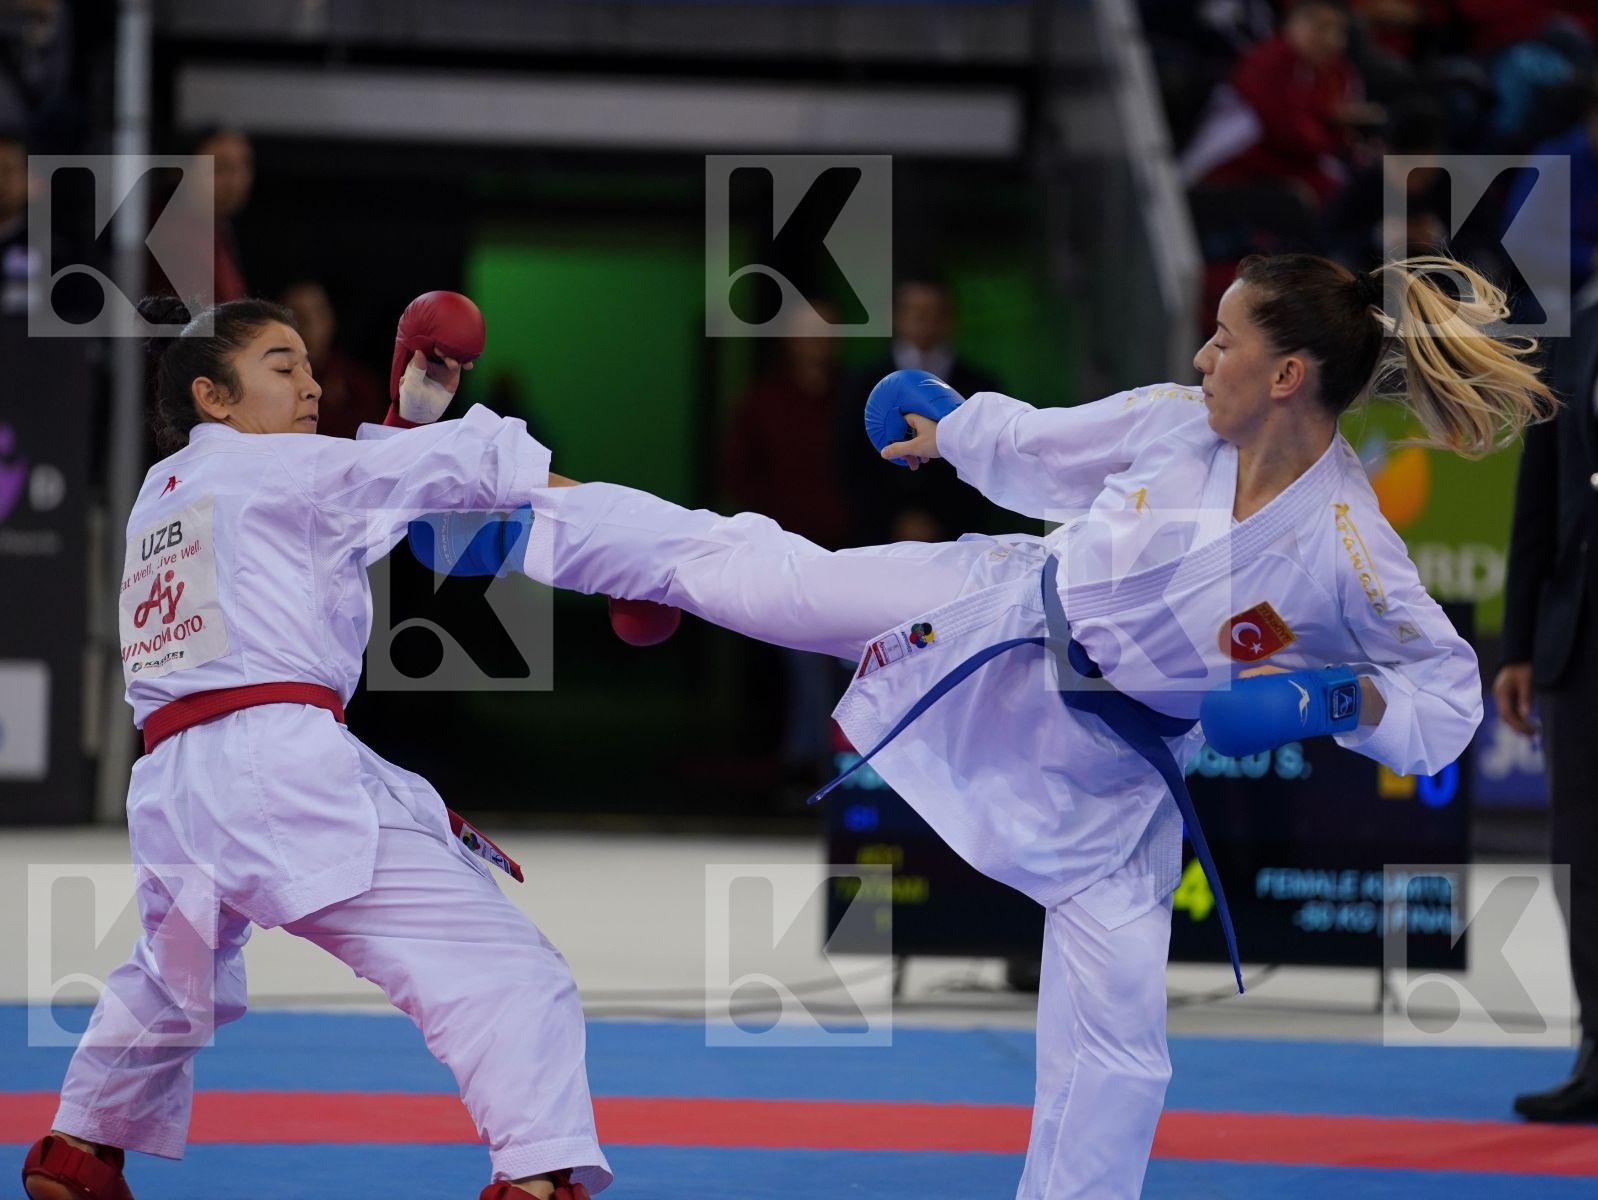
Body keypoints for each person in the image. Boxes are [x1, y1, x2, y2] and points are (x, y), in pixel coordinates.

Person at [429, 252, 1547, 1198]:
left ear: (1287, 375)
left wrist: (1337, 699)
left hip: (1116, 776)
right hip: (994, 616)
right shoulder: (1170, 427)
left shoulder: (1348, 548)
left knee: (1115, 1043)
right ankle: (506, 504)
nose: (1202, 358)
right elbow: (1037, 450)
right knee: (762, 575)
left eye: (1223, 342)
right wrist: (950, 424)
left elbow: (1444, 699)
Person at [20, 295, 605, 1200]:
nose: (311, 385)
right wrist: (633, 533)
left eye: (309, 365)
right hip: (275, 771)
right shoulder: (272, 474)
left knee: (174, 984)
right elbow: (453, 469)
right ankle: (538, 1178)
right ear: (214, 396)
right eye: (282, 367)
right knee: (504, 968)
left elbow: (346, 509)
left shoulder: (166, 492)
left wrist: (403, 417)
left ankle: (80, 1150)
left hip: (178, 790)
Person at [1496, 300, 1598, 1122]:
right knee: (1586, 856)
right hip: (1583, 638)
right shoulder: (1583, 332)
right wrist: (1520, 641)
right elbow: (1541, 487)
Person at [836, 274, 1008, 545]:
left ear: (950, 319)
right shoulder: (862, 382)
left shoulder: (980, 386)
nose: (926, 324)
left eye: (935, 314)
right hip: (878, 535)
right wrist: (893, 520)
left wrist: (941, 520)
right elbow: (849, 459)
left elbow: (989, 459)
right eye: (917, 313)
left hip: (957, 535)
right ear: (897, 316)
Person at [279, 280, 387, 438]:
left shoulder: (357, 384)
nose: (310, 325)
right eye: (297, 317)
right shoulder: (270, 385)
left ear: (330, 319)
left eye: (316, 314)